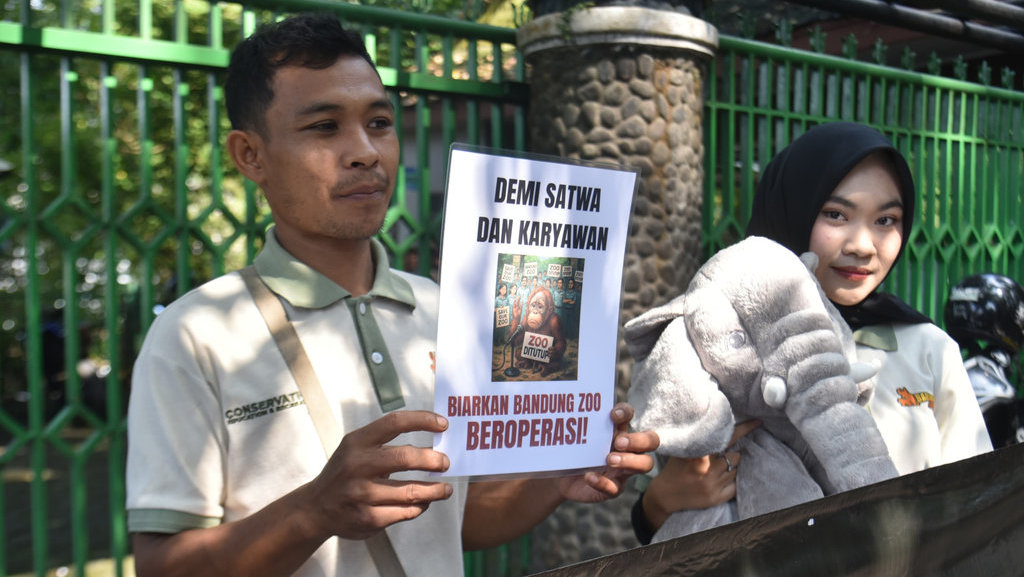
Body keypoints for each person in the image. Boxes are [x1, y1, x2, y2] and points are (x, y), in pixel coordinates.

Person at [125, 12, 658, 577]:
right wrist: (311, 513)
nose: (365, 152)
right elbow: (162, 564)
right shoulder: (196, 334)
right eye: (324, 127)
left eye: (379, 122)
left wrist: (551, 480)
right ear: (250, 155)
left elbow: (458, 520)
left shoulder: (443, 311)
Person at [630, 121, 992, 544]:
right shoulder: (713, 337)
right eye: (836, 214)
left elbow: (978, 508)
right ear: (792, 206)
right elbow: (657, 525)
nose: (862, 244)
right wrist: (660, 501)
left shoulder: (929, 350)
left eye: (886, 220)